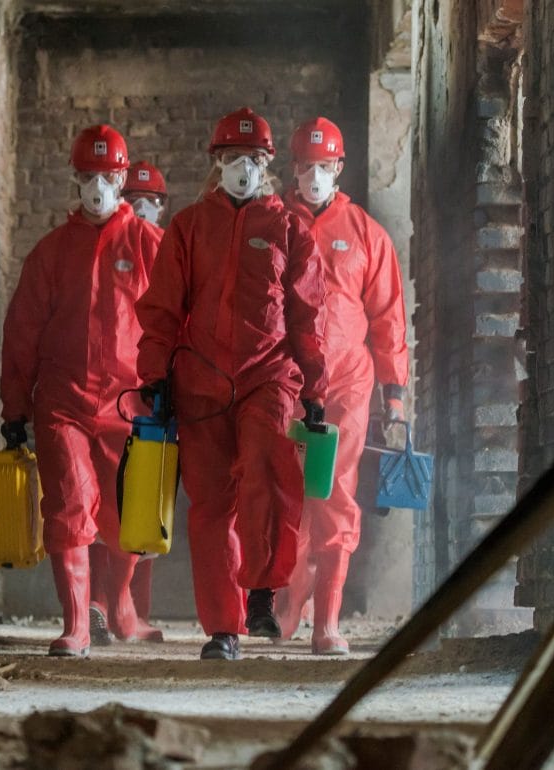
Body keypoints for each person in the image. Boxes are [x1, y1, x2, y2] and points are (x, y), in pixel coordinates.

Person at [135, 107, 328, 661]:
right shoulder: (189, 228)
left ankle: (262, 589)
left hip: (268, 376)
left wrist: (314, 388)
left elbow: (308, 315)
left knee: (269, 471)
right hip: (200, 382)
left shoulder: (291, 230)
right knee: (212, 504)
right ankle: (224, 627)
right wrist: (155, 376)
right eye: (231, 158)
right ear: (215, 163)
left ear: (269, 165)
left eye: (254, 159)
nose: (243, 167)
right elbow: (162, 310)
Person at [0, 125, 163, 657]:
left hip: (129, 402)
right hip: (64, 402)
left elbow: (173, 319)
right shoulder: (50, 254)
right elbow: (22, 331)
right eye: (89, 177)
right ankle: (77, 624)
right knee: (69, 506)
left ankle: (120, 608)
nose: (99, 187)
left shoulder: (146, 245)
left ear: (124, 178)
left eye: (109, 177)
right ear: (77, 179)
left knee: (127, 515)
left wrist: (172, 386)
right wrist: (14, 407)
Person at [276, 117, 409, 655]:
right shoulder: (272, 224)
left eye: (324, 166)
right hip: (284, 381)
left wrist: (394, 395)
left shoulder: (365, 235)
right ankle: (288, 606)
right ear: (293, 168)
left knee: (332, 493)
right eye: (306, 166)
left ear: (339, 167)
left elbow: (388, 319)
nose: (314, 175)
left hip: (348, 386)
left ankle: (326, 622)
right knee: (287, 494)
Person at [90, 159, 171, 646]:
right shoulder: (121, 244)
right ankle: (111, 607)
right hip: (124, 391)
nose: (142, 210)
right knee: (116, 503)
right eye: (135, 199)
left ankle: (124, 609)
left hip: (143, 389)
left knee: (135, 505)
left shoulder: (153, 248)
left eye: (151, 202)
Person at [122, 161, 168, 226]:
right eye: (133, 199)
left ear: (161, 211)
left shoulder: (168, 236)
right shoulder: (108, 235)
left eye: (150, 200)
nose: (141, 207)